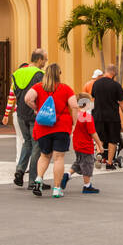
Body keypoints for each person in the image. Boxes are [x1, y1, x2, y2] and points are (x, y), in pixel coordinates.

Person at [24, 63, 80, 198]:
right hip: (61, 126)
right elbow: (74, 106)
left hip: (44, 126)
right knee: (59, 158)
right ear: (58, 74)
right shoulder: (66, 89)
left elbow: (27, 98)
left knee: (44, 156)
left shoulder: (38, 87)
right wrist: (74, 123)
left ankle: (38, 179)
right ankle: (57, 188)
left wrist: (36, 108)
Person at [11, 49, 47, 187]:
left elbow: (15, 92)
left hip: (20, 113)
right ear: (39, 59)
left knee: (27, 142)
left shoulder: (17, 73)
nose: (45, 63)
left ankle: (20, 170)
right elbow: (43, 93)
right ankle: (33, 180)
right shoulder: (40, 74)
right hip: (34, 113)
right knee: (36, 145)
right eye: (44, 60)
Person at [60, 95, 101, 194]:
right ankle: (87, 186)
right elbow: (92, 133)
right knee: (87, 164)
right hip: (86, 145)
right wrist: (99, 144)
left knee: (79, 162)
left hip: (77, 144)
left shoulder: (75, 115)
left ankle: (67, 174)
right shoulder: (87, 117)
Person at [91, 64, 123, 170]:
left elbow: (93, 98)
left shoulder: (96, 84)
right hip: (112, 117)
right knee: (113, 139)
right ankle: (109, 163)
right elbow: (122, 103)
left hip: (98, 116)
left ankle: (99, 158)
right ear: (113, 72)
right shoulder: (116, 85)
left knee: (99, 138)